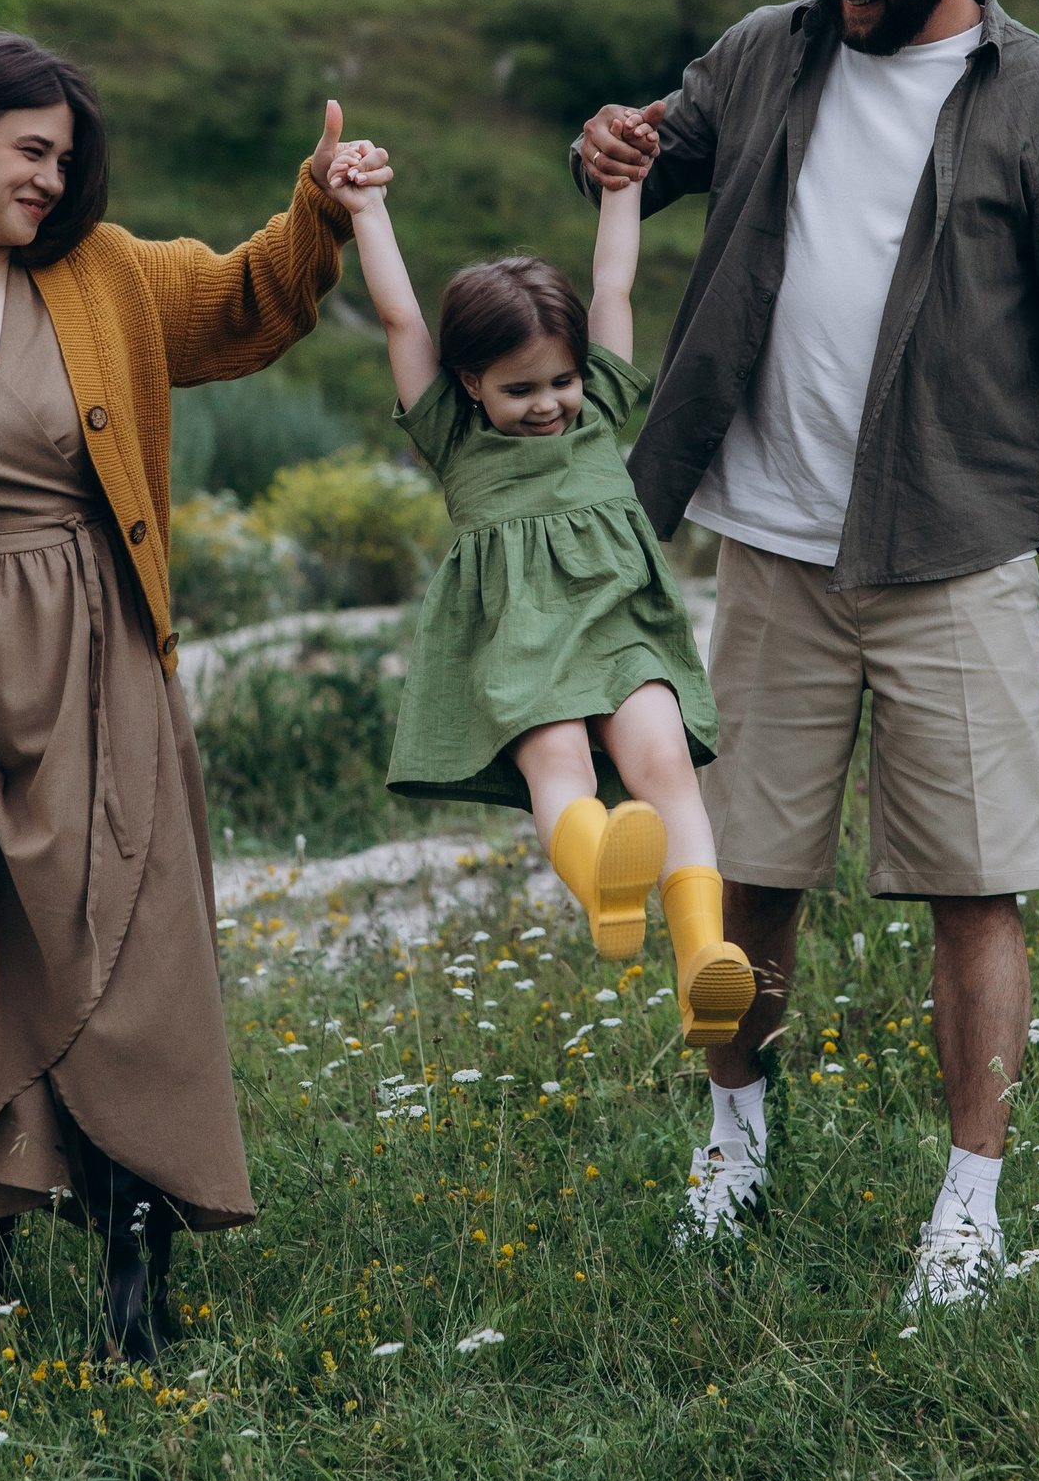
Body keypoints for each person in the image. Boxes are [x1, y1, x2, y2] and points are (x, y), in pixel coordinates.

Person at [577, 0, 1039, 1304]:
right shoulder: (763, 53)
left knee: (976, 887)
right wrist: (606, 146)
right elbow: (644, 161)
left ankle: (969, 1212)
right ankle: (735, 1147)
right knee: (742, 876)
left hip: (954, 555)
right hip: (768, 550)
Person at [0, 28, 375, 1359]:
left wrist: (317, 208)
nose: (52, 178)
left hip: (102, 669)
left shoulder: (104, 277)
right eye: (33, 151)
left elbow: (246, 301)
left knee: (135, 957)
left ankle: (136, 1276)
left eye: (65, 158)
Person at [323, 141, 754, 1044]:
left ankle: (703, 956)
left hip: (622, 625)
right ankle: (603, 878)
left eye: (561, 380)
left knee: (665, 765)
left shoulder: (599, 408)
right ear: (470, 384)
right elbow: (401, 318)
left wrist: (622, 190)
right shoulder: (453, 437)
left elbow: (613, 286)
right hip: (520, 640)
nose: (550, 403)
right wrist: (367, 211)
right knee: (560, 769)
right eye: (520, 390)